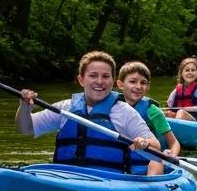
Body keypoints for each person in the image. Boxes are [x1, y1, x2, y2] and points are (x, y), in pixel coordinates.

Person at [15, 50, 159, 174]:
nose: (99, 81)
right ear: (81, 79)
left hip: (109, 182)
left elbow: (155, 146)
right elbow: (26, 128)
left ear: (113, 81)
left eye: (106, 76)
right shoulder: (65, 108)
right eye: (93, 75)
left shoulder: (124, 112)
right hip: (65, 178)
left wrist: (144, 142)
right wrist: (24, 108)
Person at [117, 61, 181, 175]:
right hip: (121, 156)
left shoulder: (153, 111)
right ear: (120, 84)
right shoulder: (113, 107)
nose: (138, 86)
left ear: (148, 86)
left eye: (143, 83)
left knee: (155, 161)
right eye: (132, 81)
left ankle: (152, 186)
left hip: (148, 157)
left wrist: (172, 154)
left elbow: (174, 143)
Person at [166, 57, 197, 123]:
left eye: (193, 70)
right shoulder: (177, 90)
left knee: (181, 113)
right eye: (187, 70)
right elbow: (169, 105)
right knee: (164, 114)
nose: (190, 72)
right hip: (180, 119)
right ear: (181, 73)